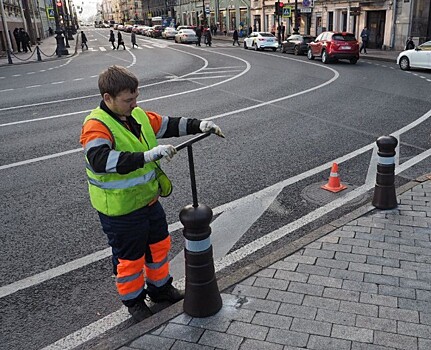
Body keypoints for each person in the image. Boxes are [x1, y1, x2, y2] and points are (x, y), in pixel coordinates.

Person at [79, 65, 224, 322]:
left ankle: (160, 289)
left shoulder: (137, 116)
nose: (135, 104)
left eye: (136, 97)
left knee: (158, 246)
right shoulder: (96, 125)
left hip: (148, 201)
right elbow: (99, 159)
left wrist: (200, 124)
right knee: (129, 260)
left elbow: (168, 124)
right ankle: (134, 302)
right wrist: (147, 156)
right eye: (128, 100)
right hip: (121, 210)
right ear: (107, 98)